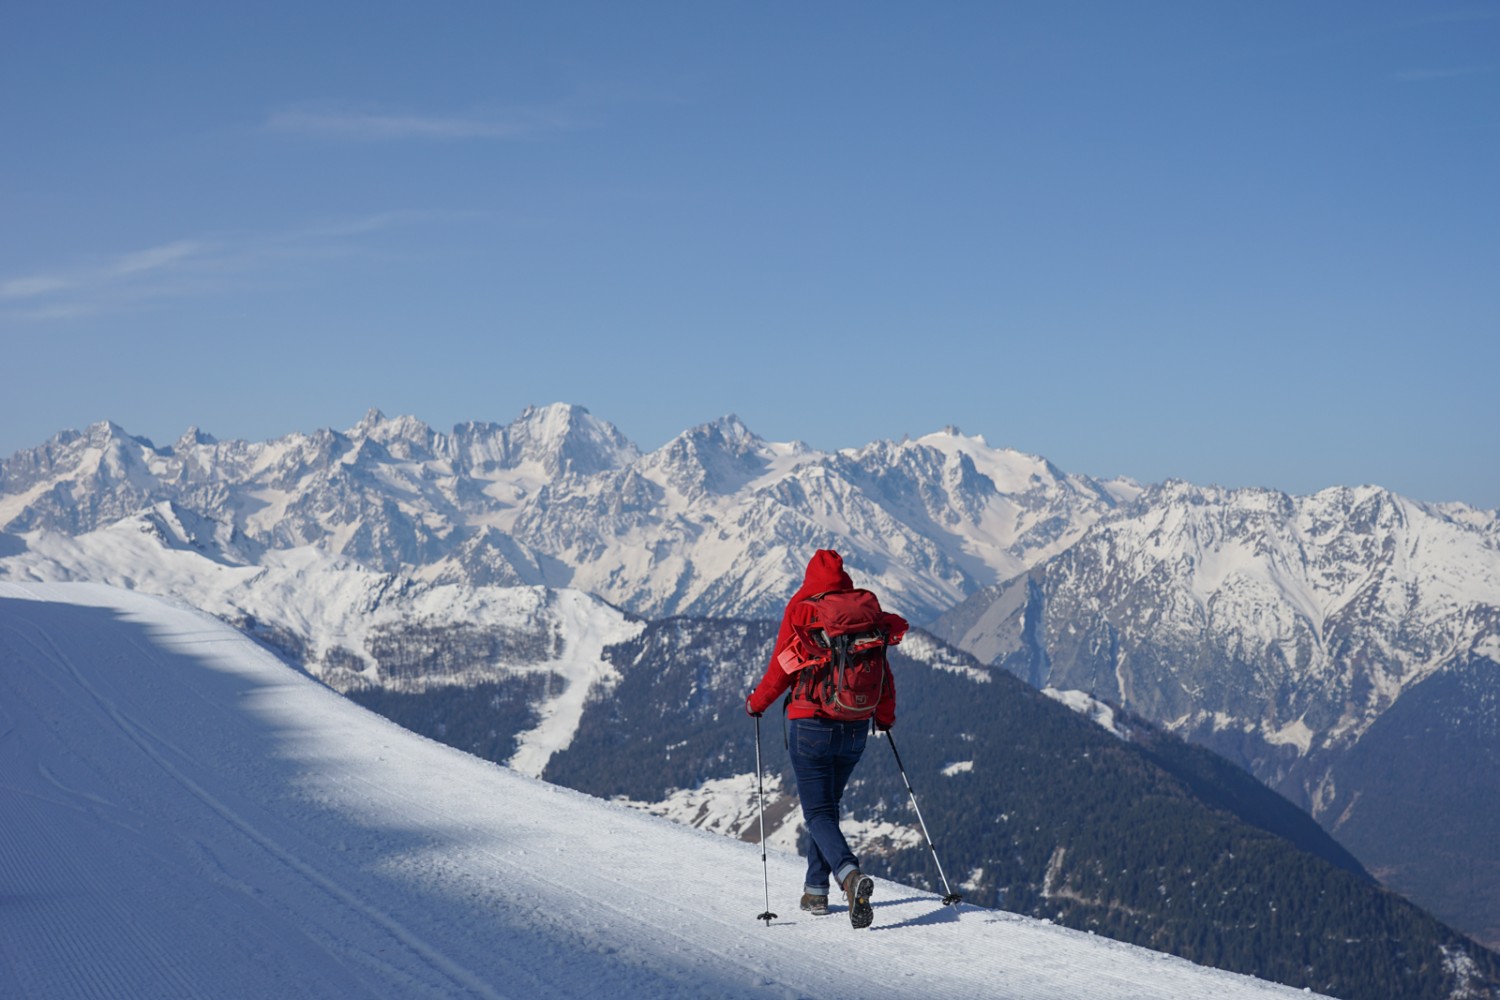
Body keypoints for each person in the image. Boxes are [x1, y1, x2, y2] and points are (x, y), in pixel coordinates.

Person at [745, 549, 895, 930]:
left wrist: (756, 704)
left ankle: (848, 876)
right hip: (856, 723)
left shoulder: (803, 609)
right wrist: (884, 716)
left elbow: (782, 666)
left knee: (817, 812)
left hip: (811, 724)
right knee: (827, 807)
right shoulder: (862, 612)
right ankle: (815, 891)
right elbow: (882, 672)